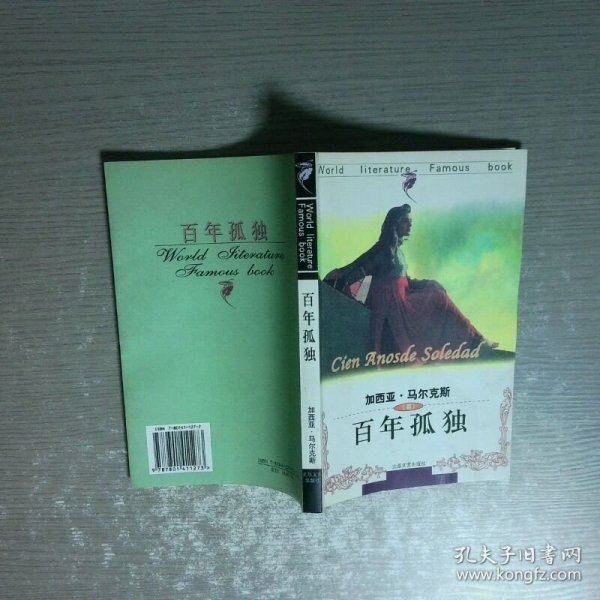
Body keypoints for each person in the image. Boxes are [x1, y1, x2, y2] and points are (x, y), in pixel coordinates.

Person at [323, 204, 495, 357]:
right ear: (394, 225)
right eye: (405, 221)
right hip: (395, 306)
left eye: (410, 221)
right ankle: (476, 341)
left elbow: (405, 280)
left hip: (403, 297)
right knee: (440, 299)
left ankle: (475, 340)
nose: (410, 225)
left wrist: (428, 283)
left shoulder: (396, 250)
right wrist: (341, 275)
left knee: (437, 293)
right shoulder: (383, 250)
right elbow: (361, 266)